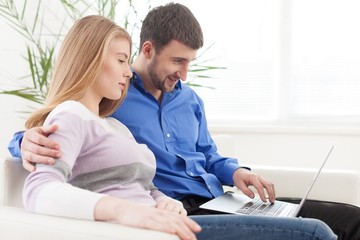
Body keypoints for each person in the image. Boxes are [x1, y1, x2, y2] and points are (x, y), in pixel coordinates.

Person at [9, 3, 341, 240]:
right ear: (149, 50)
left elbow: (207, 157)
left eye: (189, 63)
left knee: (349, 217)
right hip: (181, 213)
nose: (183, 73)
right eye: (178, 61)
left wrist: (238, 172)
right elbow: (56, 129)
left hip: (216, 199)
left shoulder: (182, 102)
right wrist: (25, 141)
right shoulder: (111, 103)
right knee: (315, 233)